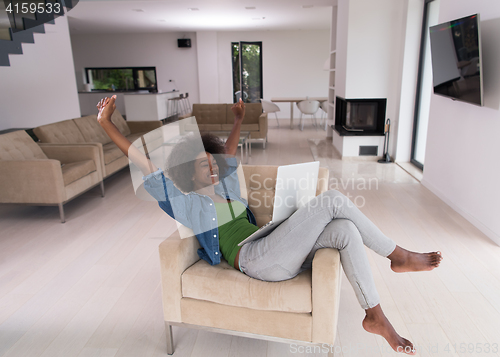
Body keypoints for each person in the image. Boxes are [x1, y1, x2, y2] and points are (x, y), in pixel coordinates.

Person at [97, 95, 442, 355]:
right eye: (204, 166)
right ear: (188, 173)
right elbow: (146, 165)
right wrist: (107, 124)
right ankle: (398, 255)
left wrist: (238, 118)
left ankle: (374, 315)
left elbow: (229, 152)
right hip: (254, 259)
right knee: (333, 199)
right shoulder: (189, 205)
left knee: (345, 231)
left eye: (212, 163)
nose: (213, 168)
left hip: (274, 246)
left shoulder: (228, 186)